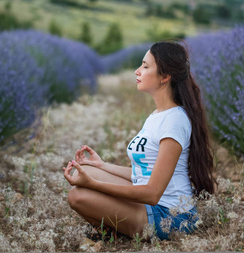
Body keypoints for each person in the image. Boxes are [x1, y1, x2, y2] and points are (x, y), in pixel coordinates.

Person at [63, 41, 216, 240]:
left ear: (165, 76)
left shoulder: (174, 121)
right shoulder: (157, 115)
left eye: (145, 66)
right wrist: (101, 166)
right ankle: (113, 229)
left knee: (77, 196)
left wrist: (93, 184)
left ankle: (115, 231)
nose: (137, 71)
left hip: (171, 216)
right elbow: (143, 174)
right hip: (152, 206)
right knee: (88, 171)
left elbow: (152, 193)